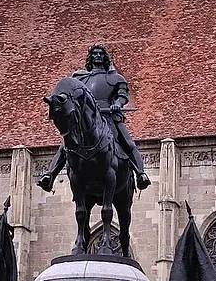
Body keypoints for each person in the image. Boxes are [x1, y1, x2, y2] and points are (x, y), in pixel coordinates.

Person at [40, 45, 150, 191]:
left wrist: (117, 104)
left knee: (128, 144)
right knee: (65, 145)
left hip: (109, 117)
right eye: (94, 54)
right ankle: (50, 175)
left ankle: (140, 174)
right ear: (90, 58)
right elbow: (71, 96)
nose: (97, 56)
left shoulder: (116, 78)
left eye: (100, 54)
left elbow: (122, 96)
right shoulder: (79, 78)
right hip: (86, 119)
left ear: (105, 58)